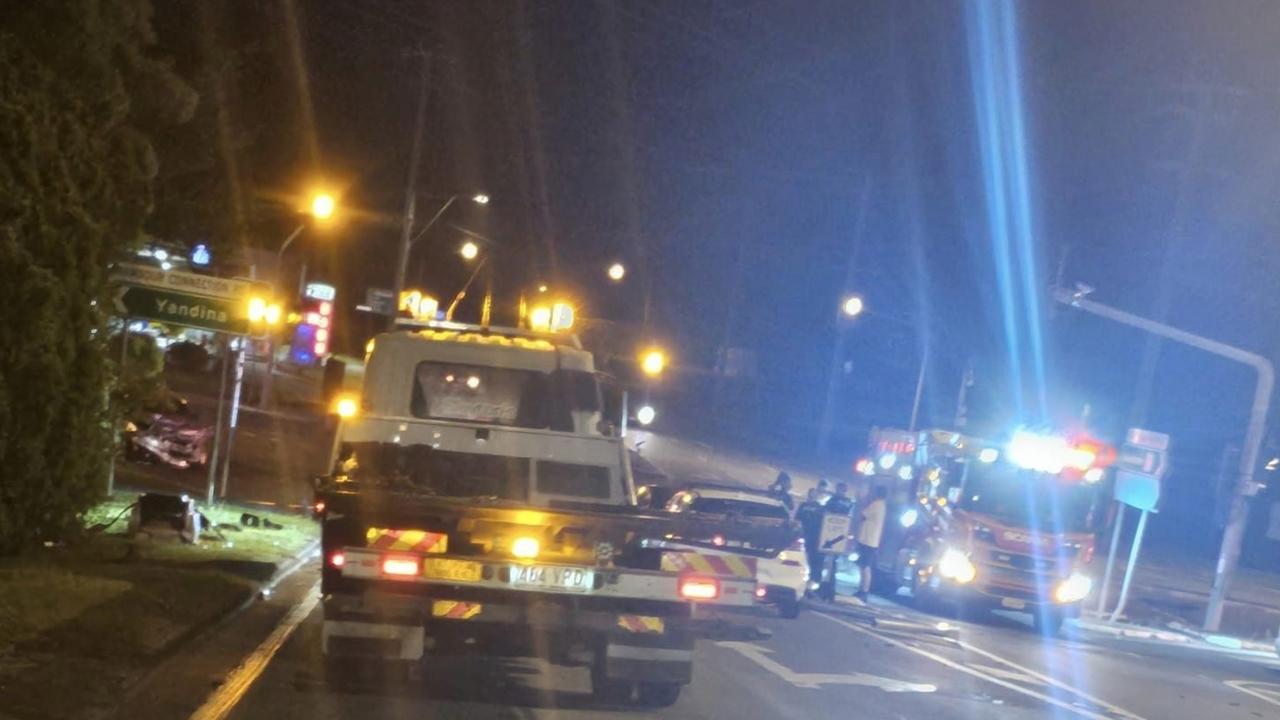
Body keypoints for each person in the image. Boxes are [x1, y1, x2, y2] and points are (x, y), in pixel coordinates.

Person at [855, 485, 888, 603]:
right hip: (871, 540)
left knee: (865, 566)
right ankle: (862, 589)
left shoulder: (876, 505)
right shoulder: (882, 505)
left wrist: (862, 499)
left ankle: (864, 591)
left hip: (867, 540)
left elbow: (862, 515)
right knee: (863, 565)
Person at [794, 488, 825, 589]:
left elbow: (822, 523)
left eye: (814, 494)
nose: (812, 496)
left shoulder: (820, 508)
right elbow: (797, 519)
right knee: (801, 557)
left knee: (812, 559)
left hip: (814, 537)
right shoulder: (803, 506)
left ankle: (812, 580)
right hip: (803, 535)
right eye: (811, 494)